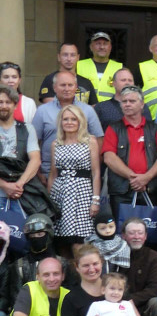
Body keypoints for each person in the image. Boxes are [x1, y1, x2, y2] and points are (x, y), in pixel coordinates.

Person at [101, 85, 157, 222]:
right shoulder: (113, 128)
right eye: (124, 102)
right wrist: (135, 178)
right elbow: (109, 157)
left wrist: (146, 177)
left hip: (150, 188)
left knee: (151, 235)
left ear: (142, 104)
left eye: (132, 101)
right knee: (123, 233)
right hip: (122, 191)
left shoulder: (154, 128)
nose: (127, 104)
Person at [46, 104, 100, 246]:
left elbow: (96, 173)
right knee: (61, 238)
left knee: (81, 238)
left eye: (73, 119)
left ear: (80, 121)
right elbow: (53, 174)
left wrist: (95, 200)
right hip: (60, 193)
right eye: (66, 119)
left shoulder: (90, 141)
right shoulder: (55, 144)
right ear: (60, 122)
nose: (69, 122)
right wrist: (48, 202)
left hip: (82, 192)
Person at [32, 71, 103, 178]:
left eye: (70, 85)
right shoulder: (42, 111)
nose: (67, 89)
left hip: (81, 175)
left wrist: (94, 173)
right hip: (47, 172)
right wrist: (38, 173)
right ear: (54, 87)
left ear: (76, 87)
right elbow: (34, 143)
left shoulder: (88, 111)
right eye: (63, 85)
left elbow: (99, 142)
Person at [0, 85, 42, 210]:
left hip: (21, 195)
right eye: (0, 102)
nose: (4, 106)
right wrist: (4, 185)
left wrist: (19, 184)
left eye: (8, 102)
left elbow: (35, 160)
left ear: (15, 105)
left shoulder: (27, 129)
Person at [122, 218, 157, 316]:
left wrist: (131, 300)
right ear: (124, 236)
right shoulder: (116, 255)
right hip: (117, 302)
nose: (136, 237)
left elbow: (155, 289)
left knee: (156, 302)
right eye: (132, 233)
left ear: (145, 236)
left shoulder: (154, 257)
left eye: (140, 233)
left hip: (143, 304)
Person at [76, 31, 122, 102]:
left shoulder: (119, 68)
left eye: (105, 44)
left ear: (110, 47)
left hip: (109, 111)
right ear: (91, 47)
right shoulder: (78, 65)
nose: (102, 47)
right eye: (98, 44)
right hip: (84, 110)